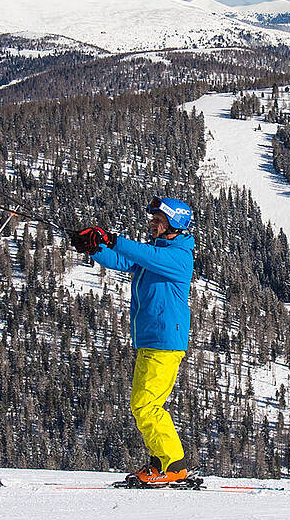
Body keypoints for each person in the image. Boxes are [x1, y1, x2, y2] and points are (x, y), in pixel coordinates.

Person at [68, 197, 197, 487]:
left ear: (174, 223)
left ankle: (173, 464)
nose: (152, 222)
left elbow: (140, 254)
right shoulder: (156, 252)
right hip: (151, 340)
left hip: (164, 341)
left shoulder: (178, 257)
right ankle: (160, 462)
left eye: (158, 218)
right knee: (144, 404)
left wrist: (111, 238)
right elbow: (123, 260)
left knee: (145, 405)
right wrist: (94, 248)